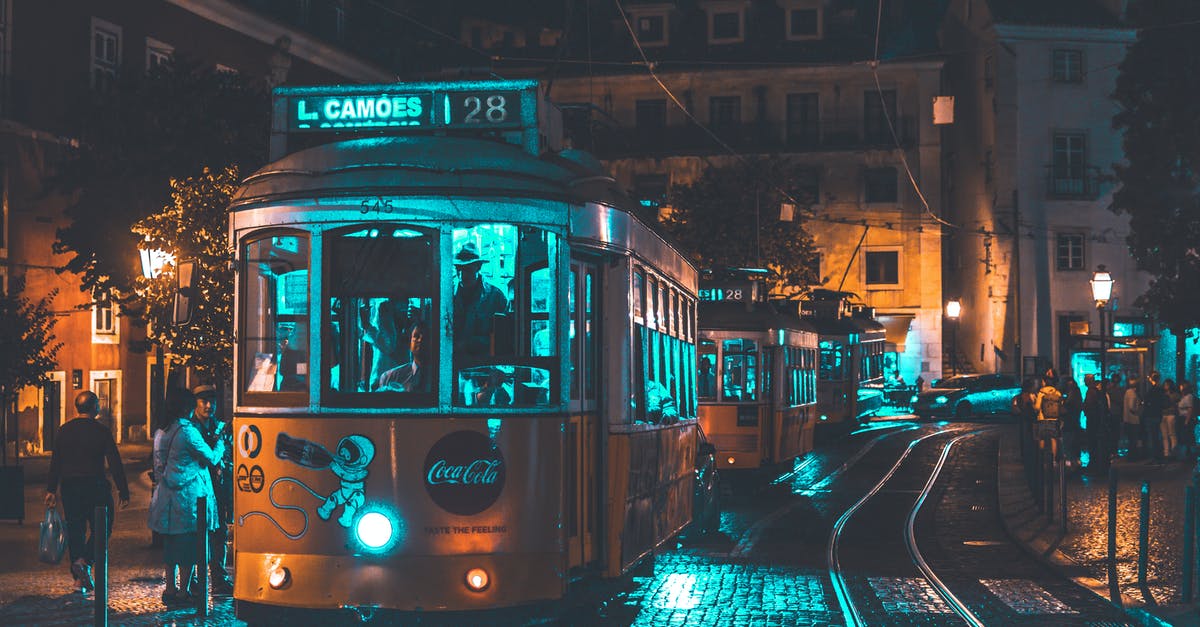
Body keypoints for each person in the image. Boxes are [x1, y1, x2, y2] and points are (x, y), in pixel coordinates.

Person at [147, 387, 227, 604]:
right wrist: (220, 441)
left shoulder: (161, 431)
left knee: (171, 544)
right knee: (191, 545)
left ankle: (170, 589)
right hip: (189, 497)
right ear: (186, 407)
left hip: (167, 496)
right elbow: (211, 457)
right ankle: (184, 592)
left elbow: (159, 466)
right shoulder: (187, 431)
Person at [44, 391, 130, 593]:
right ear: (95, 408)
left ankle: (78, 576)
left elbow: (56, 461)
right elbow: (115, 462)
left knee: (75, 529)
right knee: (103, 527)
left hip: (70, 487)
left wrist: (51, 489)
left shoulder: (63, 430)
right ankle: (86, 562)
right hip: (95, 486)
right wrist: (123, 490)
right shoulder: (101, 431)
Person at [193, 384, 234, 595]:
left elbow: (229, 455)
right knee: (198, 533)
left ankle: (218, 577)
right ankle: (194, 580)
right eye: (204, 402)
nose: (209, 406)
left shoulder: (220, 427)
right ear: (196, 404)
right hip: (199, 488)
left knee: (220, 533)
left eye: (212, 402)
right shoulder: (191, 428)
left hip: (218, 488)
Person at [452, 243, 508, 357]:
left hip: (483, 364)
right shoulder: (447, 294)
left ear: (478, 267)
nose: (462, 275)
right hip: (451, 363)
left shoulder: (496, 297)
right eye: (459, 269)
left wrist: (468, 344)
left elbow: (503, 339)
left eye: (467, 269)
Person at [376, 323, 430, 393]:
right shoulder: (390, 377)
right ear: (409, 343)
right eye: (416, 336)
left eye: (426, 337)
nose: (420, 340)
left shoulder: (440, 377)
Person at [1082, 374, 1111, 475]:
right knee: (1094, 443)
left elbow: (1089, 406)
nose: (1084, 381)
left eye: (1085, 380)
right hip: (1096, 421)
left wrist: (1085, 409)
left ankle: (1094, 464)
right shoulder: (1096, 392)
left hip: (1093, 421)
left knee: (1092, 443)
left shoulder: (1091, 392)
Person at [1034, 372, 1064, 459]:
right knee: (1053, 438)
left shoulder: (1041, 393)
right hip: (1054, 419)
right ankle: (1054, 459)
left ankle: (1041, 458)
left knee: (1041, 438)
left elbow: (1037, 407)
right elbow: (1061, 405)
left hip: (1042, 419)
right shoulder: (1057, 393)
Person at [1142, 372, 1166, 462]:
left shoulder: (1153, 390)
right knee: (1156, 436)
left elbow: (1148, 401)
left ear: (1151, 379)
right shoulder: (1160, 389)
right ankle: (1158, 456)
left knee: (1153, 436)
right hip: (1157, 414)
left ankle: (1155, 457)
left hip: (1152, 414)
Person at [1061, 376, 1084, 468]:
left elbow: (1067, 409)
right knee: (1073, 441)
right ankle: (1075, 459)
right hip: (1074, 422)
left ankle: (1070, 460)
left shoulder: (1071, 397)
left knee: (1068, 442)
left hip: (1070, 423)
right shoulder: (1076, 394)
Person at [1123, 377, 1143, 458]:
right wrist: (1138, 410)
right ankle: (1133, 456)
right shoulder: (1132, 394)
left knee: (1131, 439)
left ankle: (1131, 455)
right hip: (1133, 419)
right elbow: (1131, 407)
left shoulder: (1127, 392)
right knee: (1133, 439)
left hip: (1127, 419)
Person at [1162, 379, 1180, 460]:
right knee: (1165, 435)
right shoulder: (1162, 394)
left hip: (1171, 415)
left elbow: (1178, 405)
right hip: (1163, 415)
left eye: (1167, 385)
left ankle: (1173, 453)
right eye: (1165, 385)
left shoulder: (1175, 395)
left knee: (1172, 434)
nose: (1165, 386)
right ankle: (1166, 453)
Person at [1179, 381, 1196, 460]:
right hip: (1183, 418)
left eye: (1181, 386)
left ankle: (1190, 453)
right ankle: (1188, 452)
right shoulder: (1183, 396)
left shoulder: (1189, 396)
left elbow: (1190, 408)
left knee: (1188, 435)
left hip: (1187, 418)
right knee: (1186, 435)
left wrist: (1187, 420)